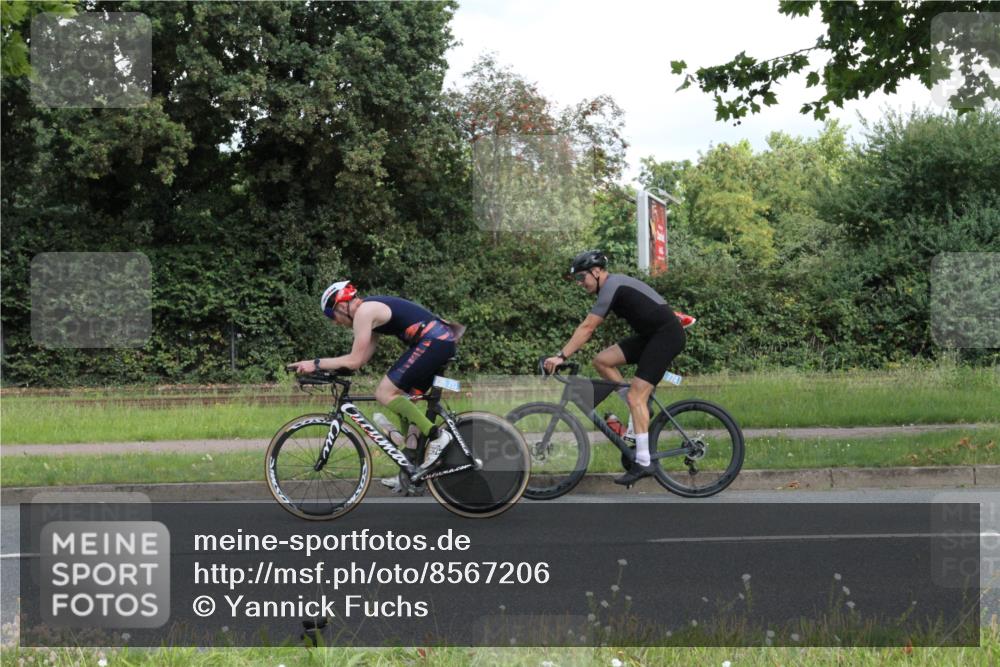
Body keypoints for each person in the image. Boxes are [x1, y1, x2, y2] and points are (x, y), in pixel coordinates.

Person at [289, 281, 461, 488]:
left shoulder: (363, 312)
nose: (334, 322)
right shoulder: (370, 314)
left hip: (434, 341)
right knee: (404, 401)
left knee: (384, 393)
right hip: (439, 340)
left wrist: (315, 363)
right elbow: (359, 361)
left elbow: (352, 360)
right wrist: (330, 370)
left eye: (331, 315)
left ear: (341, 305)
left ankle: (437, 436)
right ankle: (410, 471)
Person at [543, 250, 686, 486]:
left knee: (636, 396)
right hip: (651, 337)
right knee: (602, 361)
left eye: (582, 278)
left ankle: (643, 461)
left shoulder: (612, 286)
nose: (580, 284)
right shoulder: (610, 287)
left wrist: (561, 356)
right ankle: (640, 409)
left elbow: (588, 327)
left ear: (596, 272)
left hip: (665, 336)